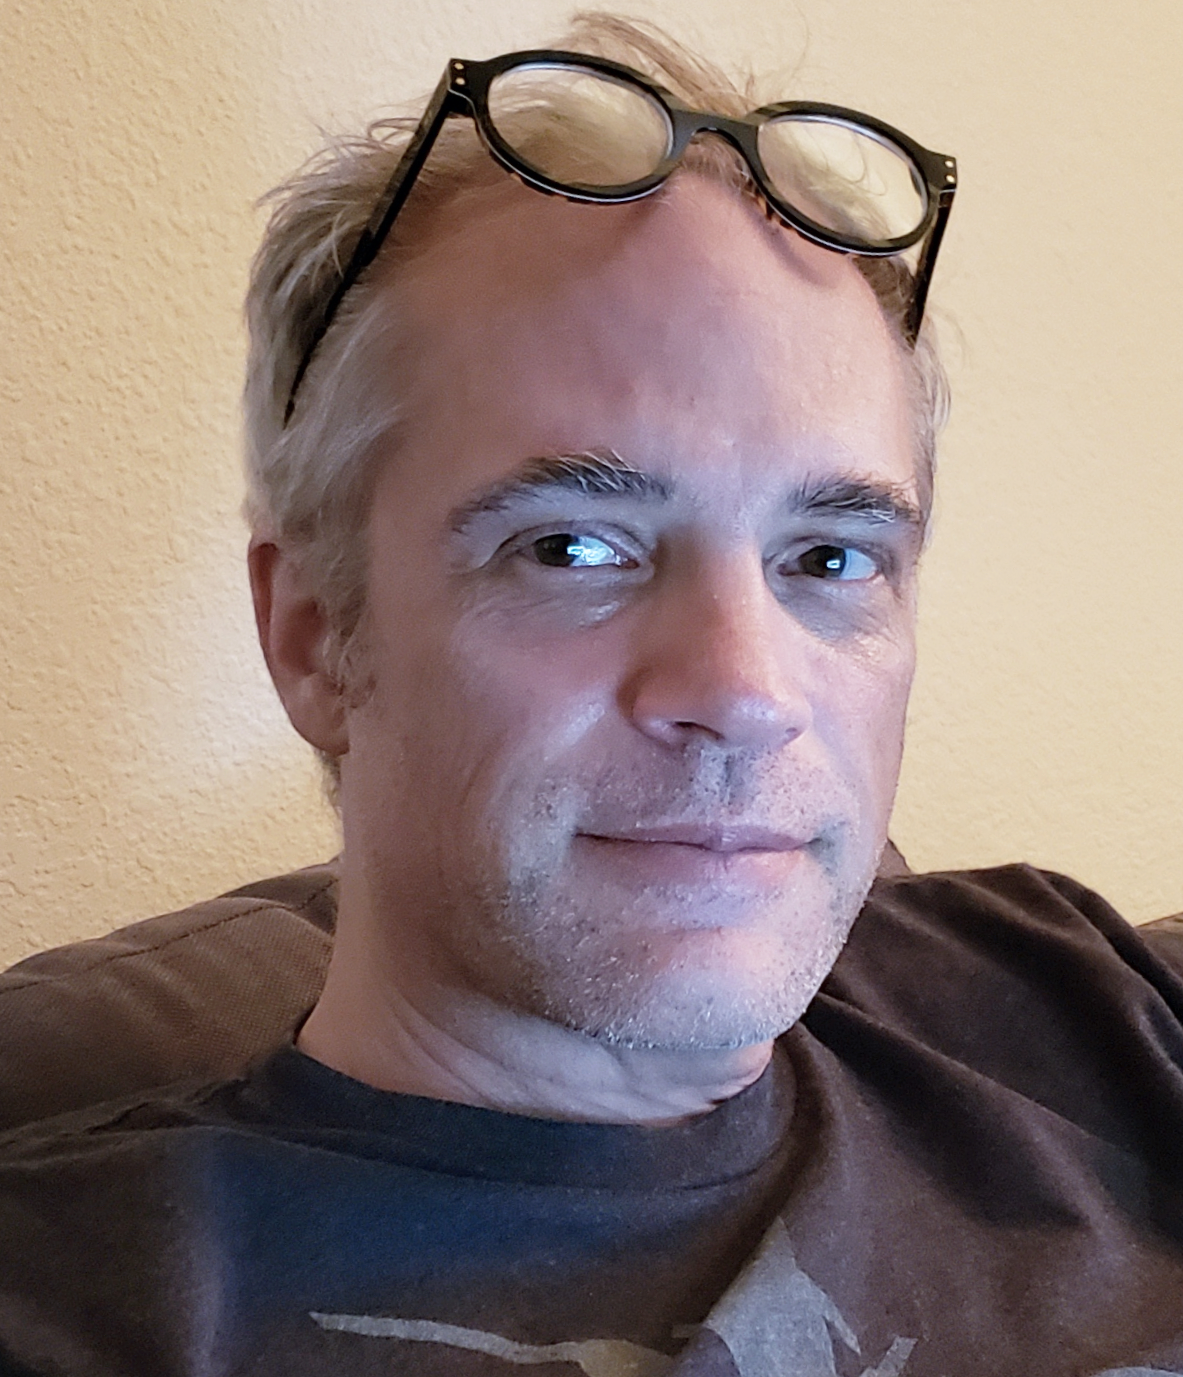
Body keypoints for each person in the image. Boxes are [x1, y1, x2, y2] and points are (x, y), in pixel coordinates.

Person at [0, 14, 1181, 1376]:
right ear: (317, 638)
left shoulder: (1089, 998)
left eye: (830, 557)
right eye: (573, 546)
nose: (742, 694)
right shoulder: (73, 1308)